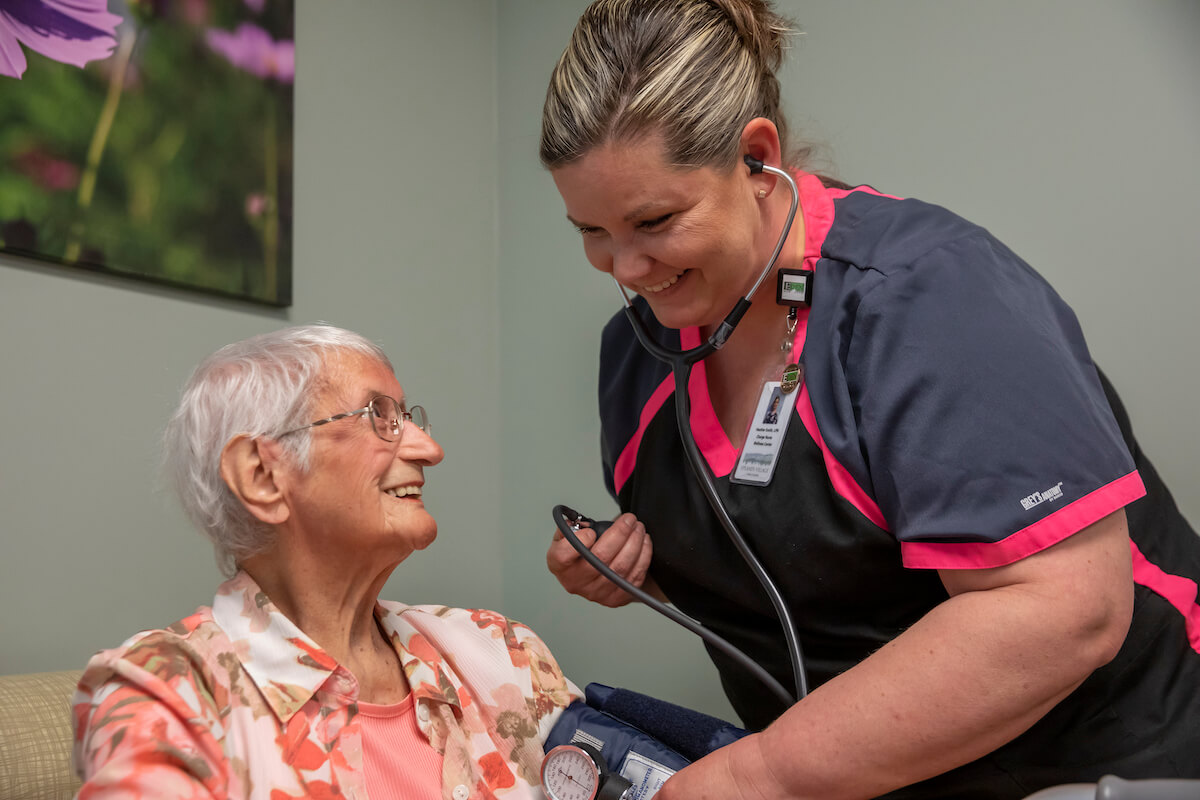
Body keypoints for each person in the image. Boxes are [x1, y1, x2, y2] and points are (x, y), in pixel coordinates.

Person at [538, 1, 1200, 798]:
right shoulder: (638, 353)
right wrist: (638, 567)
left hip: (1117, 755)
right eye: (591, 232)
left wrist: (761, 776)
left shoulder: (930, 296)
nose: (627, 268)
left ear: (756, 157)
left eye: (654, 220)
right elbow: (806, 562)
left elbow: (1064, 612)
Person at [72, 324, 581, 798]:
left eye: (406, 417)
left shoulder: (501, 651)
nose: (430, 449)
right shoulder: (167, 692)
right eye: (378, 417)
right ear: (261, 476)